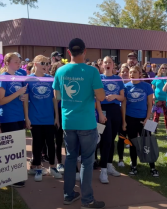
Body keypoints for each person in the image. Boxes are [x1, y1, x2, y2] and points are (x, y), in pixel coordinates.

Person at [53, 38, 106, 208]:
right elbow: (101, 97)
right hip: (86, 123)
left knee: (70, 158)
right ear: (85, 51)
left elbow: (57, 97)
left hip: (68, 122)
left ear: (69, 53)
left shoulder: (60, 71)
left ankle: (68, 195)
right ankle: (87, 200)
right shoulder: (91, 71)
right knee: (87, 161)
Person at [25, 55, 62, 182]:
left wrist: (56, 116)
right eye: (43, 63)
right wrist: (26, 118)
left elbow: (54, 99)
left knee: (51, 144)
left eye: (47, 63)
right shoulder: (28, 79)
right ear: (35, 64)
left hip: (49, 118)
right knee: (37, 144)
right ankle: (38, 168)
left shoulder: (50, 79)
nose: (46, 66)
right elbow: (25, 101)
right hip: (35, 118)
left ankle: (52, 167)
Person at [0, 53, 28, 187]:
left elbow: (21, 97)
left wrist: (23, 98)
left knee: (19, 147)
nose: (18, 64)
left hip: (19, 116)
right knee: (11, 148)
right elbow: (1, 101)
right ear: (7, 63)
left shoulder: (19, 76)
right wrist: (18, 93)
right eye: (15, 61)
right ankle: (10, 176)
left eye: (19, 61)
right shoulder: (2, 77)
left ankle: (17, 174)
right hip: (8, 116)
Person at [122, 66, 159, 177]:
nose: (132, 74)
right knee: (133, 143)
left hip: (144, 119)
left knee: (147, 142)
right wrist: (124, 121)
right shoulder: (125, 87)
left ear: (140, 74)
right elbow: (123, 105)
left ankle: (152, 167)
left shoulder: (147, 86)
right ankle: (134, 166)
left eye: (134, 72)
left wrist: (147, 118)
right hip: (130, 118)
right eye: (130, 72)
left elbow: (150, 104)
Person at [95, 56, 124, 183]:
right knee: (105, 140)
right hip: (103, 110)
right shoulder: (98, 78)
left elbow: (122, 98)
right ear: (102, 65)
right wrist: (100, 113)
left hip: (115, 111)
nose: (107, 64)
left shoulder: (118, 78)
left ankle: (109, 164)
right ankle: (103, 170)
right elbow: (96, 98)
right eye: (105, 62)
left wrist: (115, 96)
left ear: (113, 65)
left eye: (110, 62)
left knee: (112, 139)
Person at [50, 61, 66, 173]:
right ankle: (59, 162)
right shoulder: (52, 81)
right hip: (57, 112)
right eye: (58, 68)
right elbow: (55, 99)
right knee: (58, 138)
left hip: (68, 111)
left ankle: (71, 163)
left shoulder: (68, 80)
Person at [151, 63, 167, 134]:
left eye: (165, 68)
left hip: (166, 100)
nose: (164, 69)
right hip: (157, 99)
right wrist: (153, 96)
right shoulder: (157, 77)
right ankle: (152, 129)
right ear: (160, 69)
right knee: (155, 115)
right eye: (162, 68)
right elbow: (152, 87)